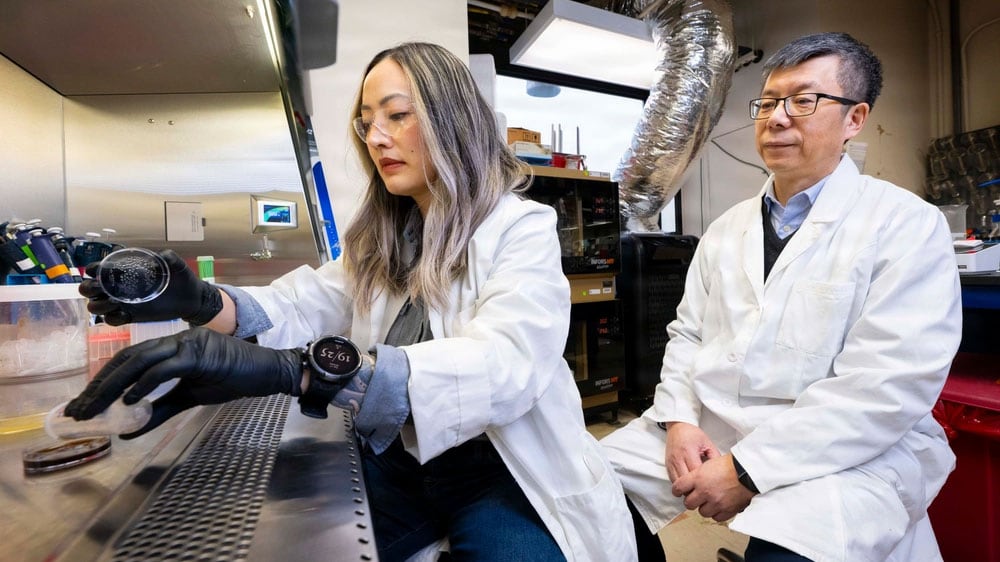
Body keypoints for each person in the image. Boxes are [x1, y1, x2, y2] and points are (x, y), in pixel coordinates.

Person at [65, 42, 637, 562]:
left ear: (451, 118)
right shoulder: (384, 240)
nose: (377, 137)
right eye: (367, 124)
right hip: (405, 461)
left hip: (504, 472)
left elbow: (507, 365)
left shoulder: (520, 228)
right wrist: (193, 298)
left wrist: (303, 373)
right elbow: (294, 306)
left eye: (397, 115)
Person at [602, 32, 962, 561]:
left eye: (804, 100)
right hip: (711, 425)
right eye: (768, 102)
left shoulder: (906, 225)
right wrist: (678, 419)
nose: (776, 117)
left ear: (855, 119)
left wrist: (748, 469)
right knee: (579, 499)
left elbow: (885, 387)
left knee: (790, 552)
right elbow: (688, 334)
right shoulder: (726, 229)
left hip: (845, 450)